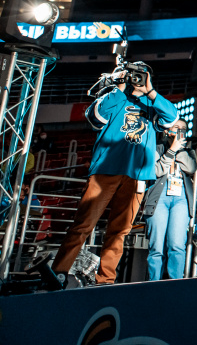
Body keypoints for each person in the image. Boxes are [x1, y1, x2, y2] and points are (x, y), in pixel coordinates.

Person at [41, 64, 178, 289]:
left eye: (142, 75)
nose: (137, 78)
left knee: (119, 231)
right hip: (105, 171)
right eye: (134, 74)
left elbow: (171, 117)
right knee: (83, 225)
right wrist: (119, 86)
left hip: (137, 175)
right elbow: (96, 116)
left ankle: (105, 281)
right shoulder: (115, 96)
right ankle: (59, 273)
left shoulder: (152, 104)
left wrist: (151, 91)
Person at [141, 125, 197, 280]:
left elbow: (191, 168)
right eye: (176, 127)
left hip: (181, 198)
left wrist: (179, 149)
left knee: (177, 245)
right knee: (156, 247)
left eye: (183, 128)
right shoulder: (156, 148)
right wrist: (171, 150)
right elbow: (157, 170)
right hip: (159, 197)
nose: (179, 130)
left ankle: (175, 283)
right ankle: (154, 283)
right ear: (167, 130)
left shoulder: (188, 151)